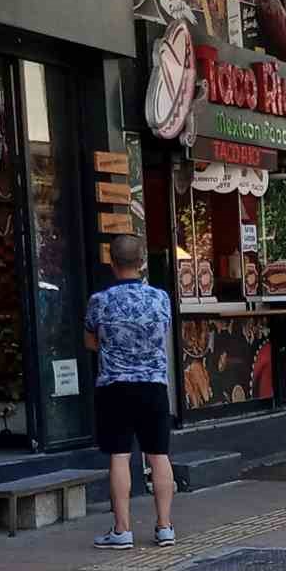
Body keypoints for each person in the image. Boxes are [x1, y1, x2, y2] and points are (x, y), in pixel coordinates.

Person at [84, 234, 176, 550]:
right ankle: (164, 526)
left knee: (120, 456)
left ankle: (122, 530)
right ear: (143, 262)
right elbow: (161, 333)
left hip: (114, 386)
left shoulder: (100, 301)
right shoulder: (160, 298)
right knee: (159, 455)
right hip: (153, 385)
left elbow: (90, 341)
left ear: (112, 262)